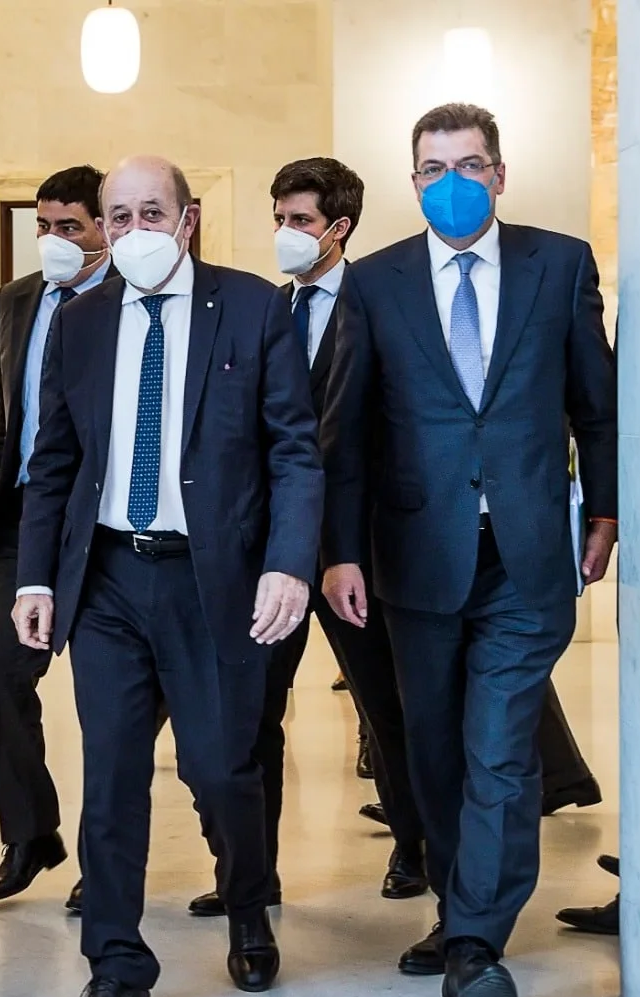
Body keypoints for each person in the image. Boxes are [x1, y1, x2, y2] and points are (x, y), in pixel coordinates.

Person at [13, 155, 322, 997]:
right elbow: (53, 463)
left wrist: (288, 562)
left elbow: (294, 449)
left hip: (211, 578)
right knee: (111, 776)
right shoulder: (79, 321)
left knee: (222, 767)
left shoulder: (252, 308)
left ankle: (248, 903)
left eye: (153, 212)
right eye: (119, 216)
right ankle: (116, 968)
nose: (134, 230)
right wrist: (36, 575)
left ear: (187, 220)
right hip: (108, 579)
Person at [322, 103, 618, 997]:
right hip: (417, 555)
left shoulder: (559, 264)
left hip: (527, 556)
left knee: (499, 752)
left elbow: (596, 405)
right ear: (413, 181)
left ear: (499, 173)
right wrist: (339, 552)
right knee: (437, 752)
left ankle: (476, 944)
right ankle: (460, 914)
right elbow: (346, 434)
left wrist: (606, 508)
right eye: (432, 168)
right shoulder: (374, 283)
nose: (451, 182)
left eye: (469, 164)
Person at [187, 157, 426, 917]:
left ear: (339, 228)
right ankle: (251, 874)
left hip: (355, 549)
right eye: (279, 218)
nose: (285, 232)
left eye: (300, 220)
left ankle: (415, 846)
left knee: (385, 705)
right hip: (272, 552)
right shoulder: (267, 308)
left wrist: (347, 542)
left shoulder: (377, 304)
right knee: (255, 711)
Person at [0, 165, 112, 907]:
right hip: (23, 515)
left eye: (70, 227)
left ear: (103, 229)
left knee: (107, 697)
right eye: (43, 226)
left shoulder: (131, 299)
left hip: (103, 519)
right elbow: (4, 414)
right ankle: (29, 833)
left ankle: (104, 858)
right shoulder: (16, 299)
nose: (53, 240)